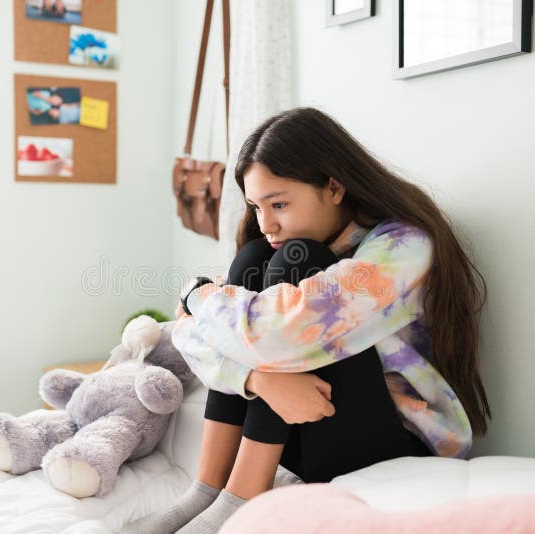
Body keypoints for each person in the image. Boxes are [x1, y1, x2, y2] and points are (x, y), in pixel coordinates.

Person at [123, 107, 490, 534]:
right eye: (256, 206)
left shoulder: (401, 247)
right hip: (304, 421)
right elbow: (192, 331)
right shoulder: (277, 244)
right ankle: (207, 490)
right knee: (255, 257)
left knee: (297, 266)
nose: (267, 222)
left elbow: (275, 333)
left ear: (334, 187)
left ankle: (242, 497)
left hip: (396, 439)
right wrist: (258, 381)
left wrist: (196, 293)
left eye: (279, 204)